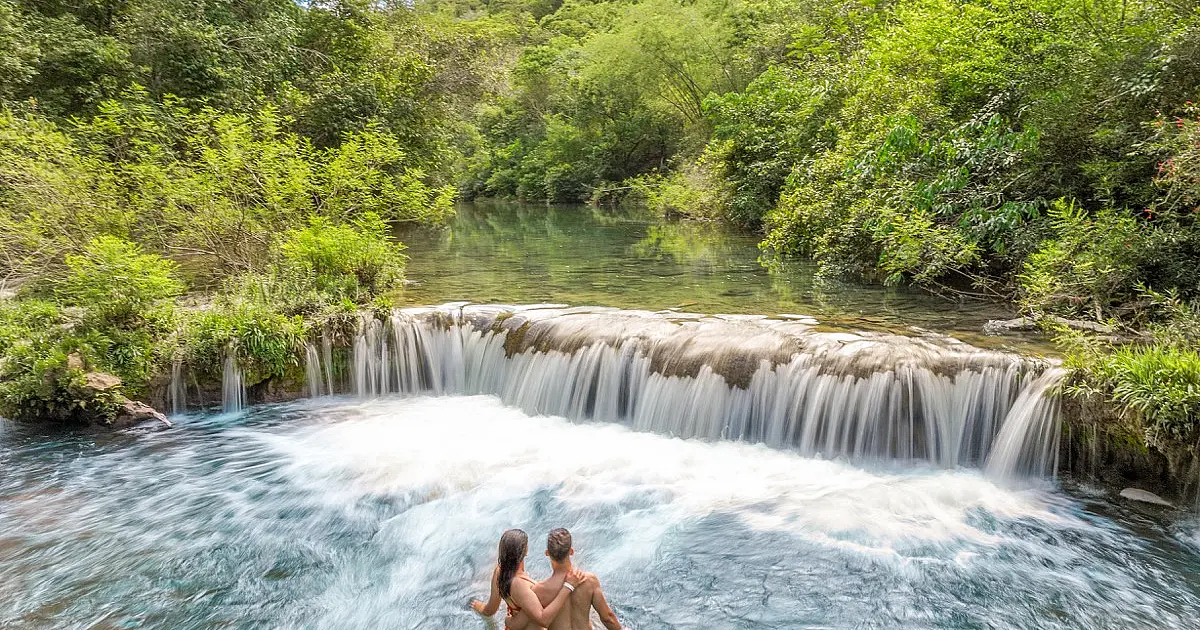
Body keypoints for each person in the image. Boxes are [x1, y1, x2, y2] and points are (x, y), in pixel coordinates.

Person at [471, 529, 584, 629]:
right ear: (524, 551)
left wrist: (478, 606)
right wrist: (568, 586)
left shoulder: (500, 571)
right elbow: (544, 620)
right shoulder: (521, 585)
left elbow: (490, 610)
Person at [520, 528, 622, 630]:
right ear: (571, 551)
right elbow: (608, 618)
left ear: (547, 553)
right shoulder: (589, 580)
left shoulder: (539, 590)